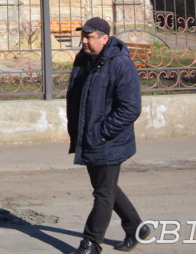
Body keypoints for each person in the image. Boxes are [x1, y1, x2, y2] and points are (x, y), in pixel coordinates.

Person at [65, 17, 152, 253]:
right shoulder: (84, 59)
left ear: (104, 39)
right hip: (89, 136)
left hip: (108, 140)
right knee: (106, 188)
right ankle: (136, 228)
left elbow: (131, 108)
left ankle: (91, 243)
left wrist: (102, 133)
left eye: (89, 37)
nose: (84, 41)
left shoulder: (120, 64)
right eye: (82, 36)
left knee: (103, 193)